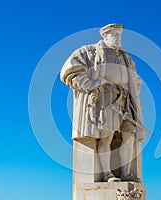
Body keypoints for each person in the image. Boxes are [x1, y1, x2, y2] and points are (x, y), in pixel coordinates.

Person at [60, 24, 145, 182]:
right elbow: (69, 72)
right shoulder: (88, 52)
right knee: (106, 136)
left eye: (119, 36)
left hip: (125, 101)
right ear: (105, 36)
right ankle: (107, 174)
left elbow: (135, 80)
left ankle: (126, 173)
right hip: (103, 100)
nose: (118, 39)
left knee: (129, 135)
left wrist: (135, 99)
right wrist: (91, 85)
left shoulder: (126, 58)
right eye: (114, 35)